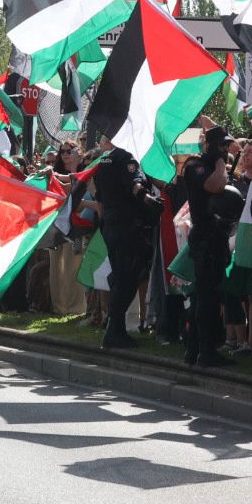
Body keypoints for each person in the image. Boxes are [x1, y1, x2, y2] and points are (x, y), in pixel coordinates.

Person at [184, 126, 249, 368]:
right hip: (205, 237)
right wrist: (221, 163)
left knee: (206, 296)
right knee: (206, 299)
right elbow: (216, 187)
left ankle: (195, 351)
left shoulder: (215, 166)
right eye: (220, 145)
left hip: (216, 237)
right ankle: (204, 351)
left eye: (226, 145)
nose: (224, 149)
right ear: (208, 145)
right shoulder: (196, 166)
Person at [93, 140, 154, 349]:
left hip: (111, 225)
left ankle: (115, 328)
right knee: (128, 279)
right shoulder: (127, 158)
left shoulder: (103, 162)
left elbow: (99, 201)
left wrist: (104, 226)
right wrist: (147, 199)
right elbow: (135, 184)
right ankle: (113, 330)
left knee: (119, 277)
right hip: (128, 226)